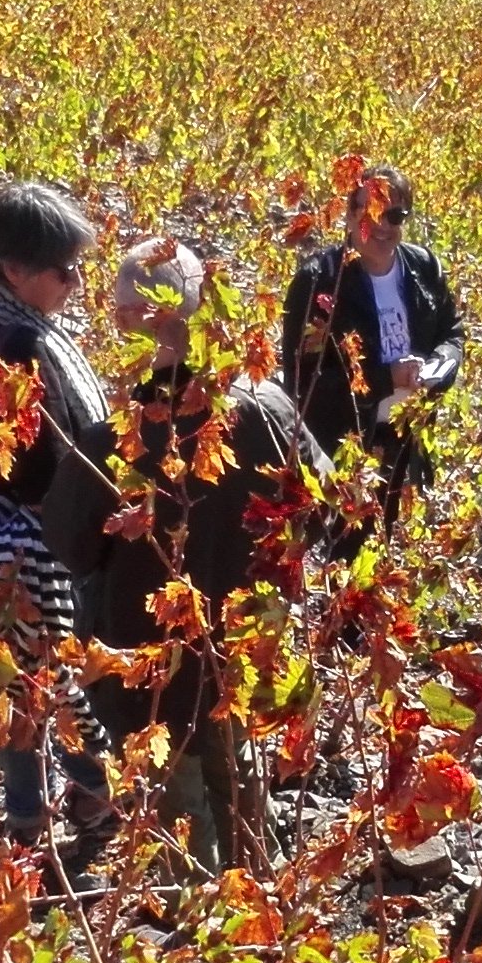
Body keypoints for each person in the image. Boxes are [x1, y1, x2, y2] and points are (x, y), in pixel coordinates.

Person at [96, 237, 324, 869]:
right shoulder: (269, 402)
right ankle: (256, 898)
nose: (114, 320)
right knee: (239, 764)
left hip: (154, 654)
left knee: (177, 792)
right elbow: (325, 502)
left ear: (140, 319)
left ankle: (195, 931)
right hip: (249, 641)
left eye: (120, 309)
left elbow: (74, 536)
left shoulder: (122, 427)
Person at [0, 182, 121, 861]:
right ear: (12, 269)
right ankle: (92, 810)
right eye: (61, 269)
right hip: (23, 545)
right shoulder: (21, 349)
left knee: (14, 685)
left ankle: (26, 820)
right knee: (58, 683)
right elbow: (53, 468)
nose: (75, 281)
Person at [276, 164, 460, 527]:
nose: (382, 225)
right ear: (348, 215)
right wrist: (385, 378)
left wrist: (437, 367)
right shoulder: (320, 281)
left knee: (395, 550)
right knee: (348, 554)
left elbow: (452, 334)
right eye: (369, 211)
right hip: (344, 445)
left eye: (393, 214)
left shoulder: (423, 267)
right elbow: (302, 384)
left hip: (410, 437)